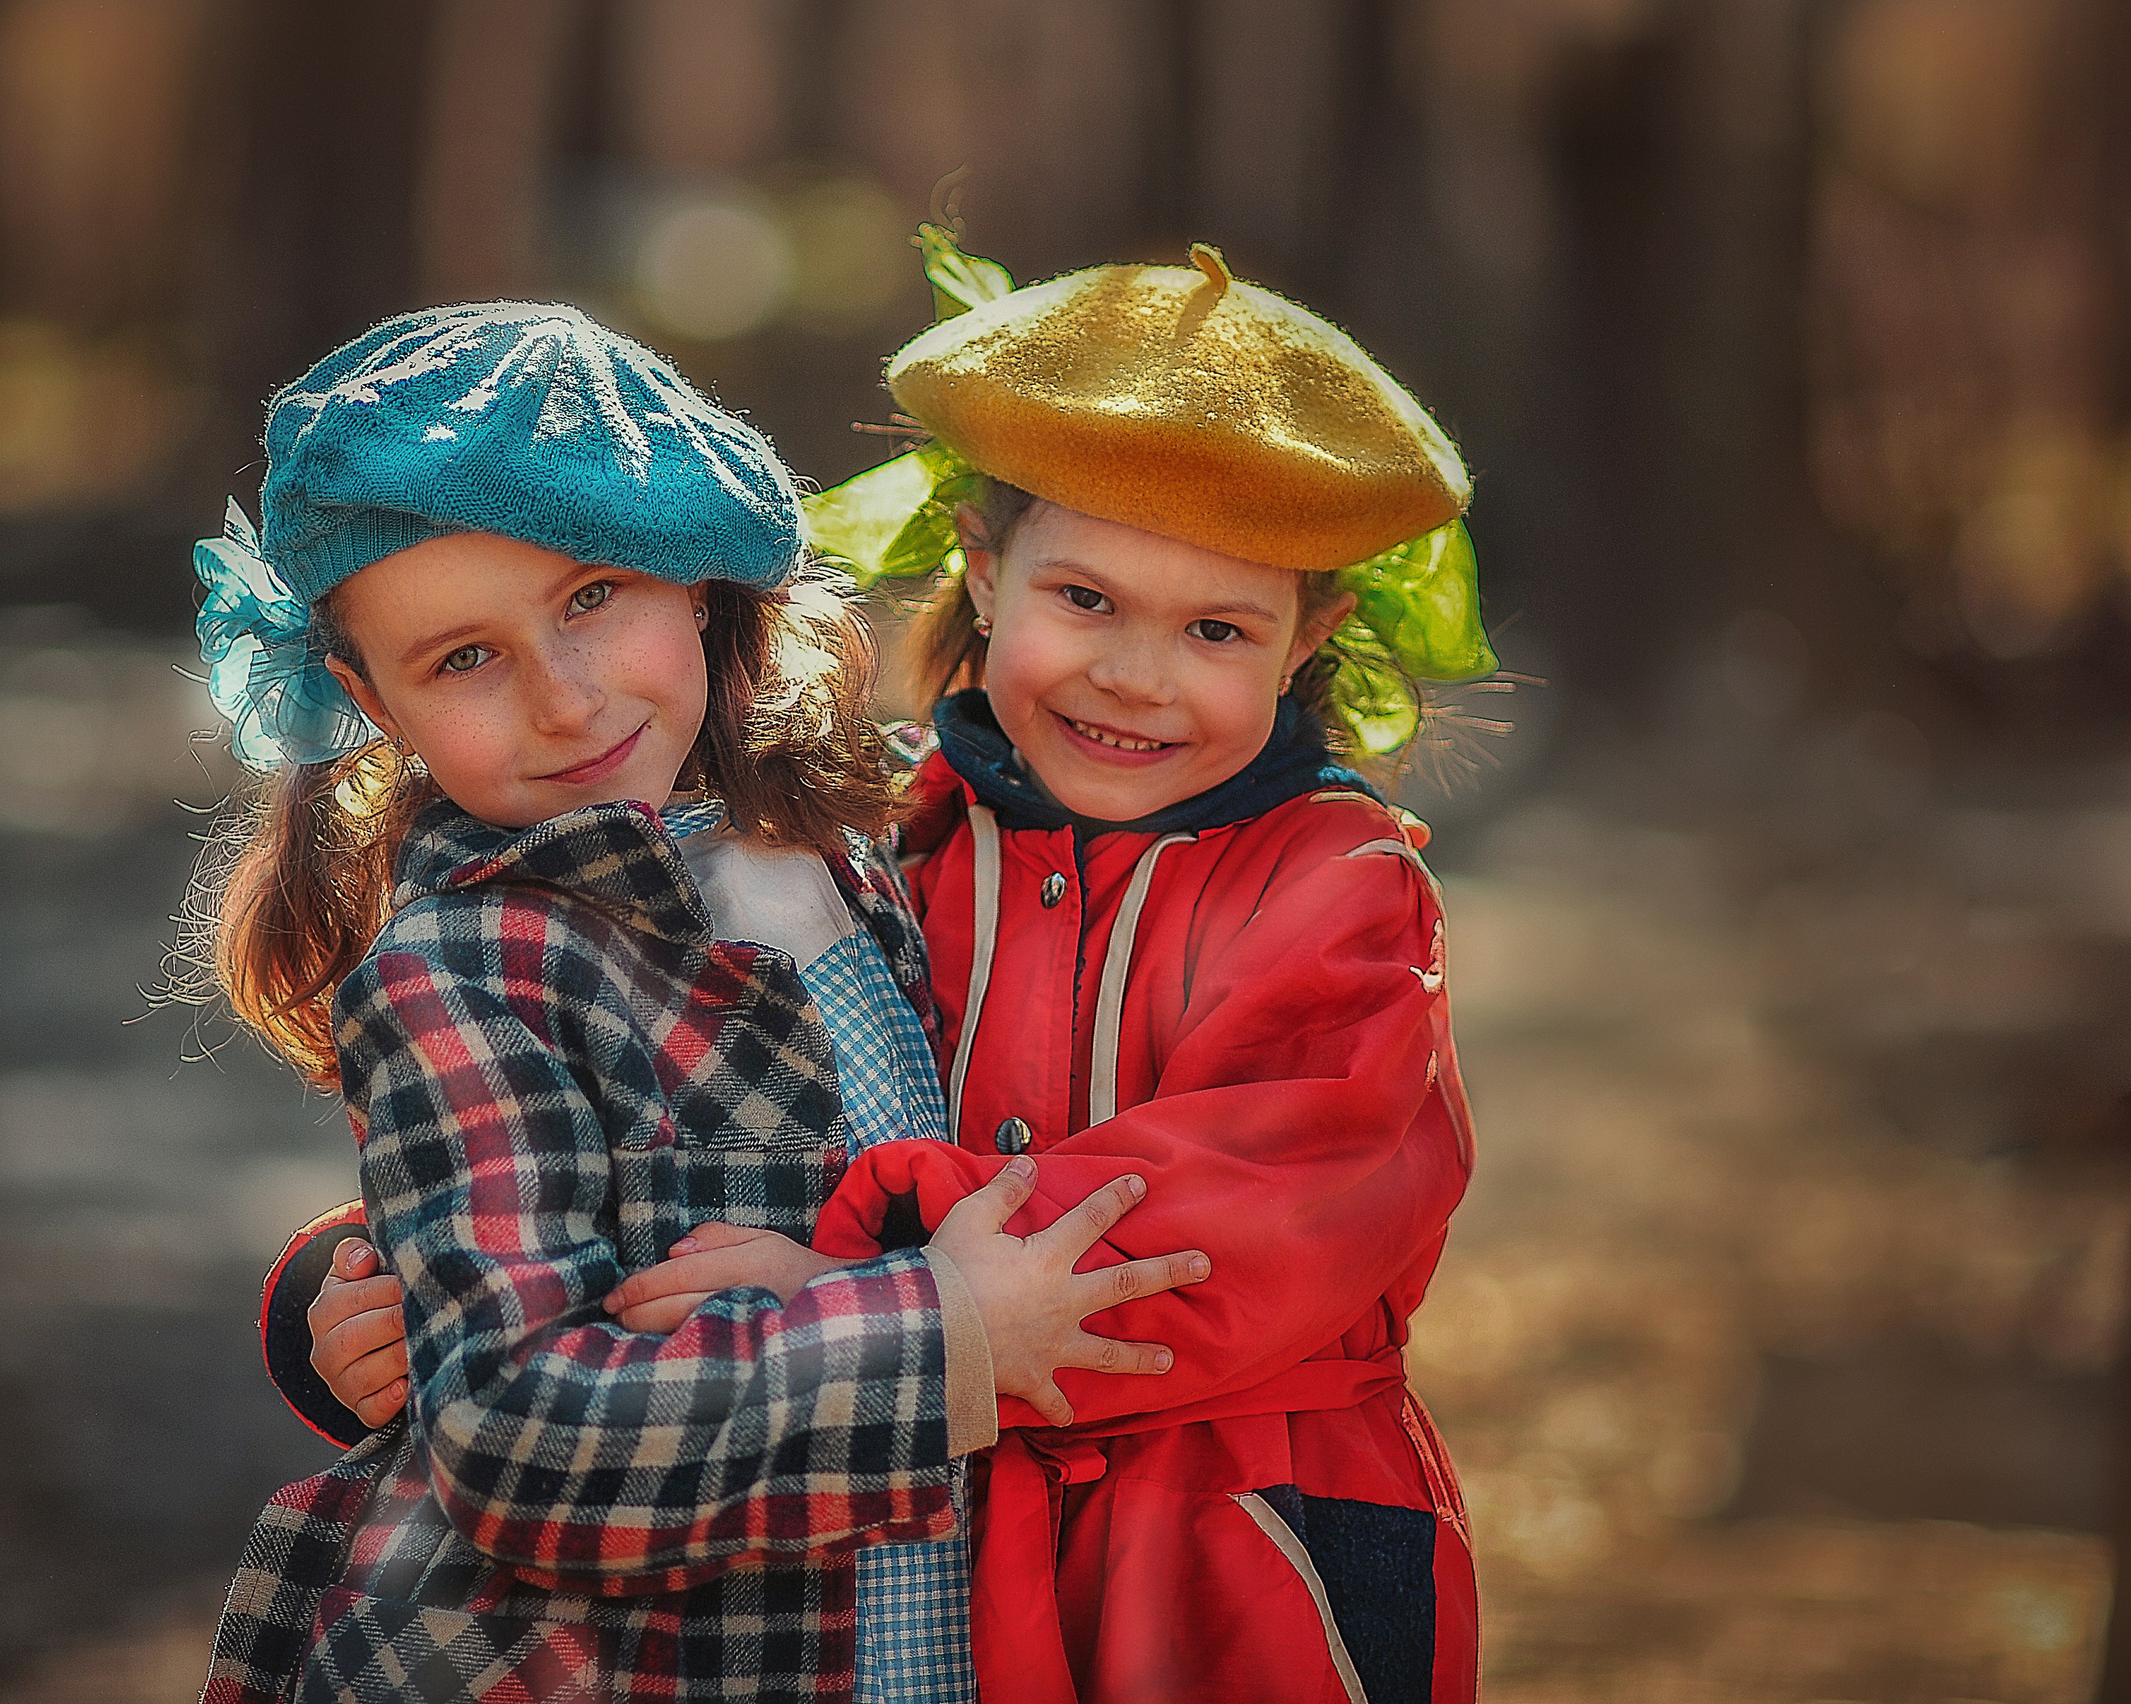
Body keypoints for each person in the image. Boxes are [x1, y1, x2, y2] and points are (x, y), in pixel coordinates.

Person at [300, 235, 1495, 1702]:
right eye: (1087, 601)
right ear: (986, 581)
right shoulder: (900, 831)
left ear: (1311, 640)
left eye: (1216, 629)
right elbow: (600, 1156)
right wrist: (357, 1287)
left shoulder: (1335, 887)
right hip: (953, 1547)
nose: (1135, 674)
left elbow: (1265, 1196)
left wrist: (887, 1272)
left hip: (1242, 1540)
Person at [187, 302, 1209, 1704]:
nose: (563, 698)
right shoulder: (466, 964)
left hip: (927, 1631)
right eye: (464, 659)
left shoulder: (874, 838)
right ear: (372, 699)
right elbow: (521, 1438)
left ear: (699, 576)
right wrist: (944, 1338)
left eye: (593, 595)